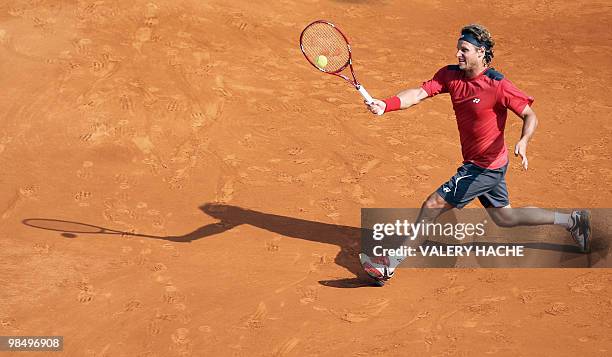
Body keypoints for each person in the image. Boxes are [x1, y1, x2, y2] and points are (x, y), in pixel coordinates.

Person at [362, 24, 591, 283]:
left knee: (432, 204)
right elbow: (418, 93)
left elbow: (529, 114)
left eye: (464, 50)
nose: (458, 54)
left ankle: (389, 264)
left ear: (481, 53)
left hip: (483, 168)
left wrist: (524, 140)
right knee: (506, 217)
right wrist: (387, 104)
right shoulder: (450, 75)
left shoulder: (497, 84)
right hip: (491, 164)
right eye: (458, 49)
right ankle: (572, 220)